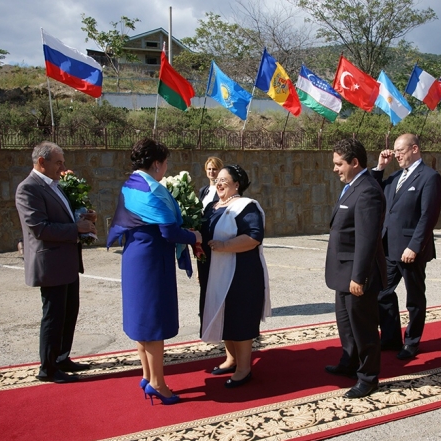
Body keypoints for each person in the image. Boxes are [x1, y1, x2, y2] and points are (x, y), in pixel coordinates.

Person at [106, 138, 201, 405]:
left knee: (141, 318)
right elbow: (169, 231)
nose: (166, 168)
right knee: (154, 321)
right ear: (157, 163)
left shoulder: (129, 184)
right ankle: (158, 384)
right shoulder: (152, 189)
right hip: (151, 260)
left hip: (134, 255)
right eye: (165, 163)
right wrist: (194, 236)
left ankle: (148, 375)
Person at [15, 141, 98, 384]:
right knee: (53, 316)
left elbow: (62, 216)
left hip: (67, 261)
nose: (63, 167)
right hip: (51, 263)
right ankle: (48, 368)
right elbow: (40, 228)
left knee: (69, 312)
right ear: (42, 162)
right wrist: (76, 228)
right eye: (58, 162)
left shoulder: (54, 185)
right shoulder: (28, 188)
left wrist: (83, 218)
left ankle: (62, 357)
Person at [371, 133, 441, 360]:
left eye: (400, 151)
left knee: (414, 298)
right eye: (394, 150)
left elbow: (428, 216)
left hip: (411, 250)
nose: (396, 155)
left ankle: (412, 342)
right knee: (382, 292)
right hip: (389, 247)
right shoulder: (394, 177)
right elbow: (374, 192)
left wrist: (415, 246)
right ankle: (391, 337)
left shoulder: (429, 177)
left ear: (414, 149)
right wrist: (380, 167)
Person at [199, 164, 271, 388]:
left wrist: (225, 245)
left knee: (239, 317)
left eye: (225, 180)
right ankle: (230, 359)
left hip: (241, 273)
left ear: (237, 184)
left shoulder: (246, 207)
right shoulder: (211, 206)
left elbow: (253, 237)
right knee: (223, 314)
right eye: (217, 179)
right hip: (214, 271)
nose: (219, 183)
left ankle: (244, 368)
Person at [325, 138, 386, 399]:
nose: (335, 169)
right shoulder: (353, 185)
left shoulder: (368, 190)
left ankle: (368, 377)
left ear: (354, 162)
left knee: (363, 327)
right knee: (346, 324)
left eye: (339, 164)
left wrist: (359, 277)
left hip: (356, 274)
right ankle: (350, 361)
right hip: (343, 272)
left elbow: (367, 238)